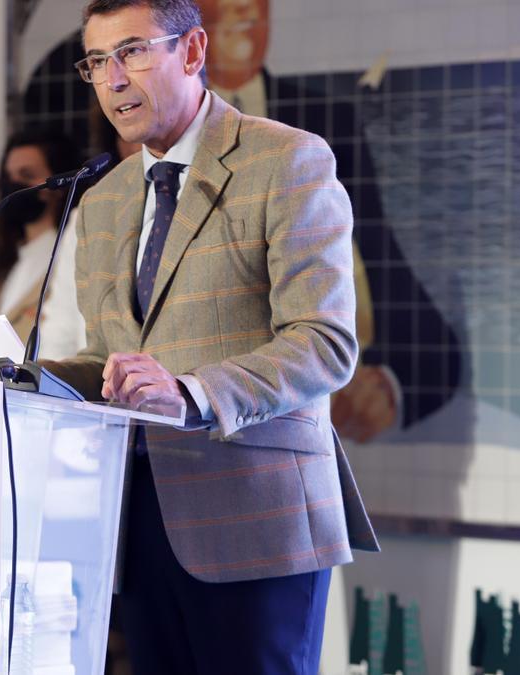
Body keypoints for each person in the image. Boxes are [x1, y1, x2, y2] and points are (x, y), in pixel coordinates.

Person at [44, 0, 378, 671]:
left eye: (132, 52)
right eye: (98, 62)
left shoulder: (285, 160)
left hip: (257, 521)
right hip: (137, 528)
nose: (113, 80)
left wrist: (191, 393)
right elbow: (106, 357)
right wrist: (19, 382)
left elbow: (323, 339)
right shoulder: (102, 202)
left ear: (192, 52)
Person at [196, 0, 464, 442]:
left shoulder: (327, 122)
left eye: (255, 4)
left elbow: (375, 253)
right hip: (204, 397)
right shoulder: (168, 137)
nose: (244, 12)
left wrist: (393, 383)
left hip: (311, 396)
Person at [0, 129, 87, 361]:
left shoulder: (70, 251)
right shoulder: (5, 262)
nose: (14, 184)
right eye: (9, 176)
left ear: (59, 185)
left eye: (27, 175)